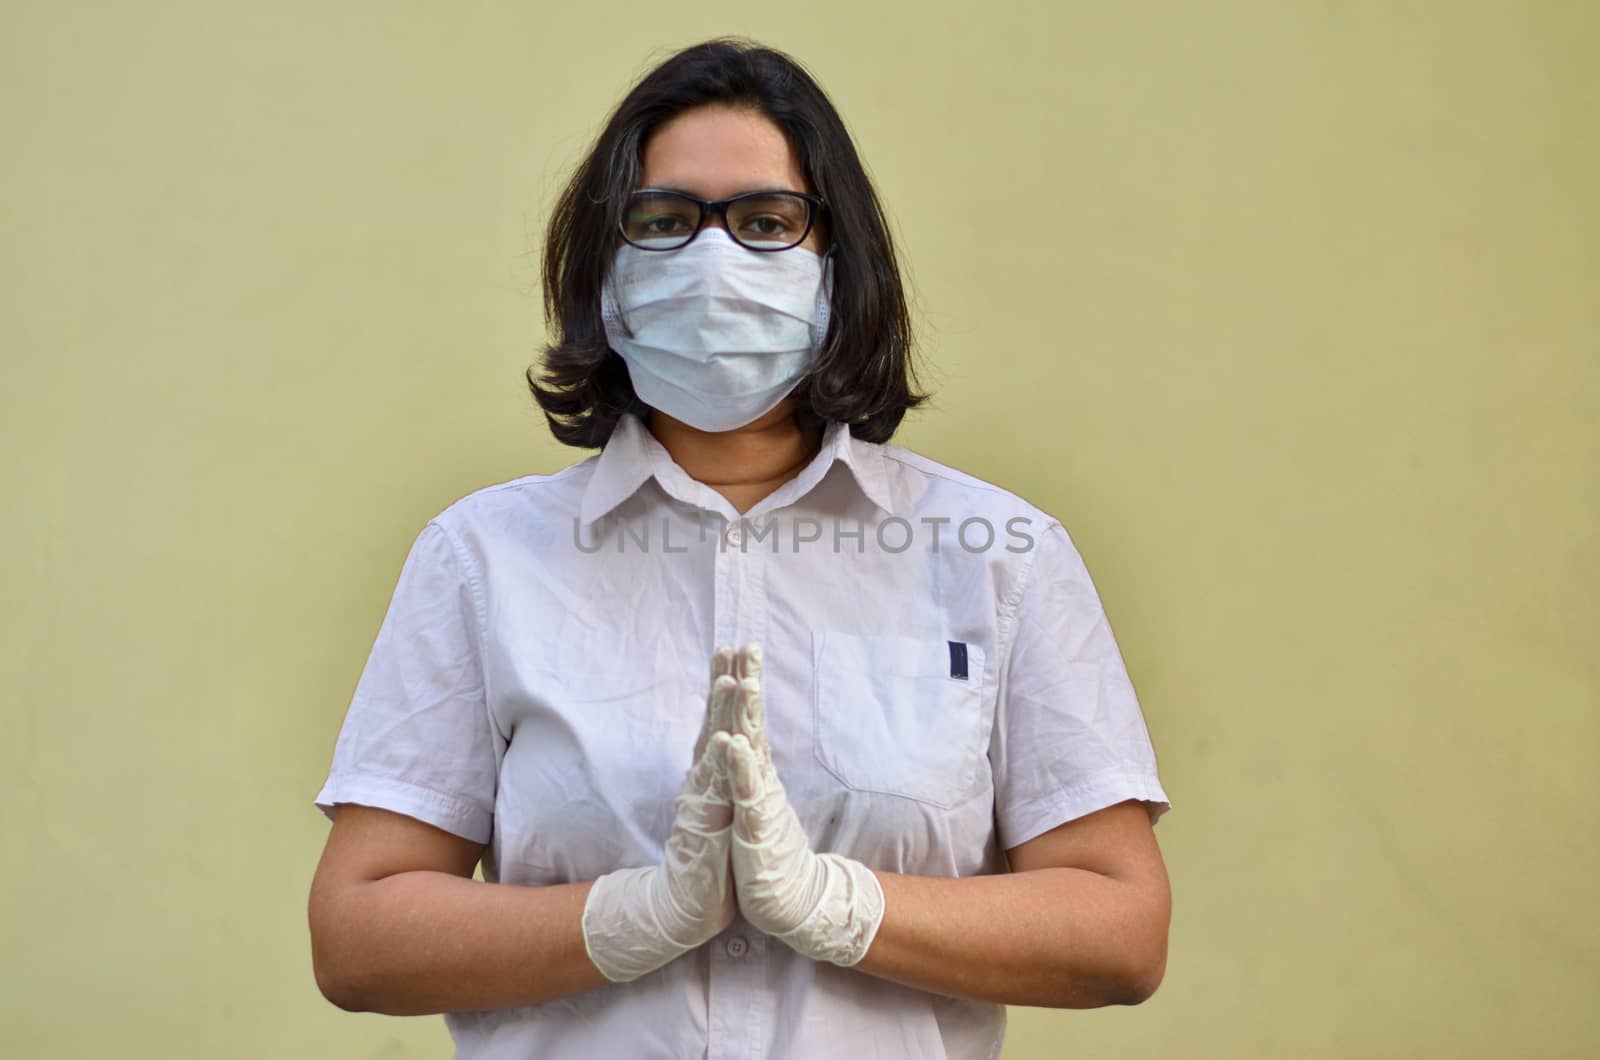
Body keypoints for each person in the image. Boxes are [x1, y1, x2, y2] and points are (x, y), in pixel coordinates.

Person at [307, 36, 1173, 1059]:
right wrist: (630, 918)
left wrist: (837, 905)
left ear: (837, 263)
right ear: (605, 269)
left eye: (766, 222)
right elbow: (357, 934)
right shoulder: (485, 556)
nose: (715, 261)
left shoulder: (997, 553)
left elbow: (1120, 930)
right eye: (663, 221)